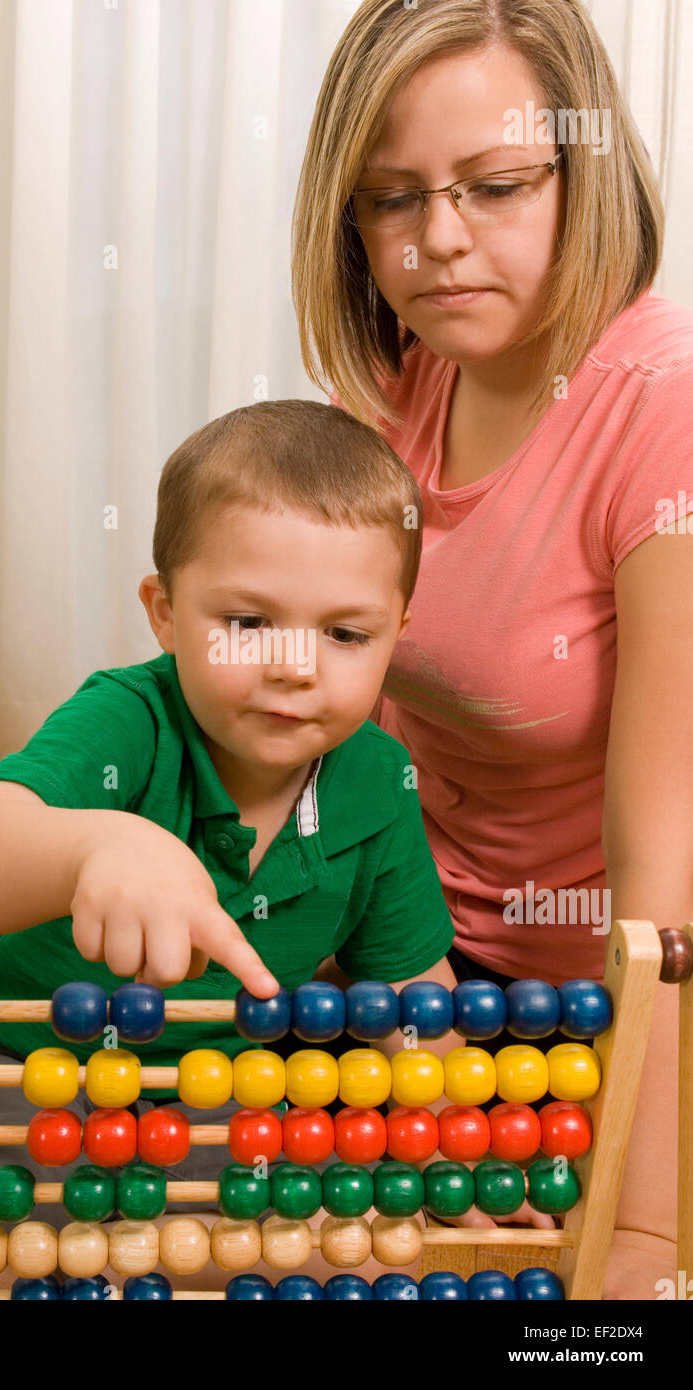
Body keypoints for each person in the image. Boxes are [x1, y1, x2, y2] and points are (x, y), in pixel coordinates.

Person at [0, 398, 478, 1293]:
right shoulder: (129, 718)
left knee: (323, 1213)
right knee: (39, 1228)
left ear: (396, 636)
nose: (296, 665)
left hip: (201, 1099)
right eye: (248, 623)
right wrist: (97, 845)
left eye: (344, 634)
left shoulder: (377, 780)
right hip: (5, 1064)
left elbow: (413, 991)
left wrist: (450, 1147)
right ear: (165, 614)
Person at [291, 0, 693, 1299]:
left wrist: (635, 1233)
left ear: (585, 175)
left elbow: (660, 876)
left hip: (608, 993)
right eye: (388, 199)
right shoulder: (403, 378)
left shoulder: (663, 407)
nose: (437, 241)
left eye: (496, 185)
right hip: (420, 954)